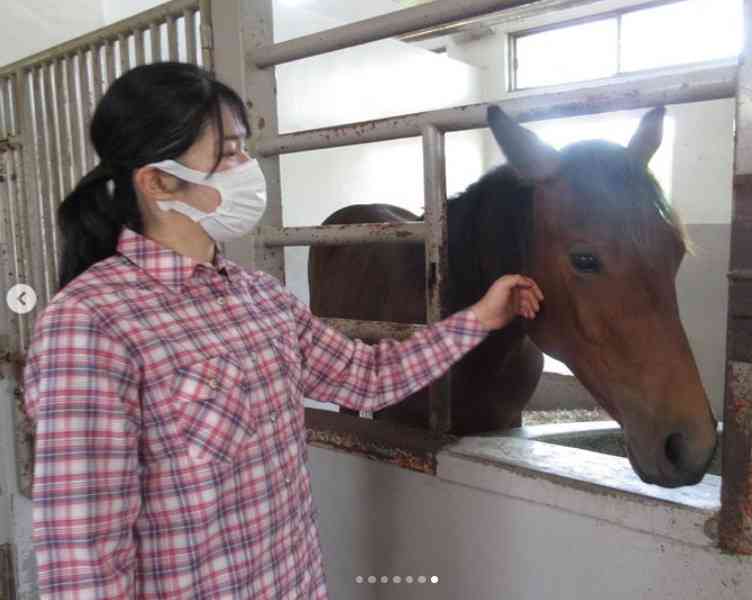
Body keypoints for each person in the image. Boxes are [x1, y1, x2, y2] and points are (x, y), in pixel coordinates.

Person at [22, 62, 543, 599]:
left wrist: (481, 317)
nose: (248, 169)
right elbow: (83, 560)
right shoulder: (89, 325)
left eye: (244, 148)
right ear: (157, 181)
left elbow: (367, 377)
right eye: (226, 154)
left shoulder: (260, 299)